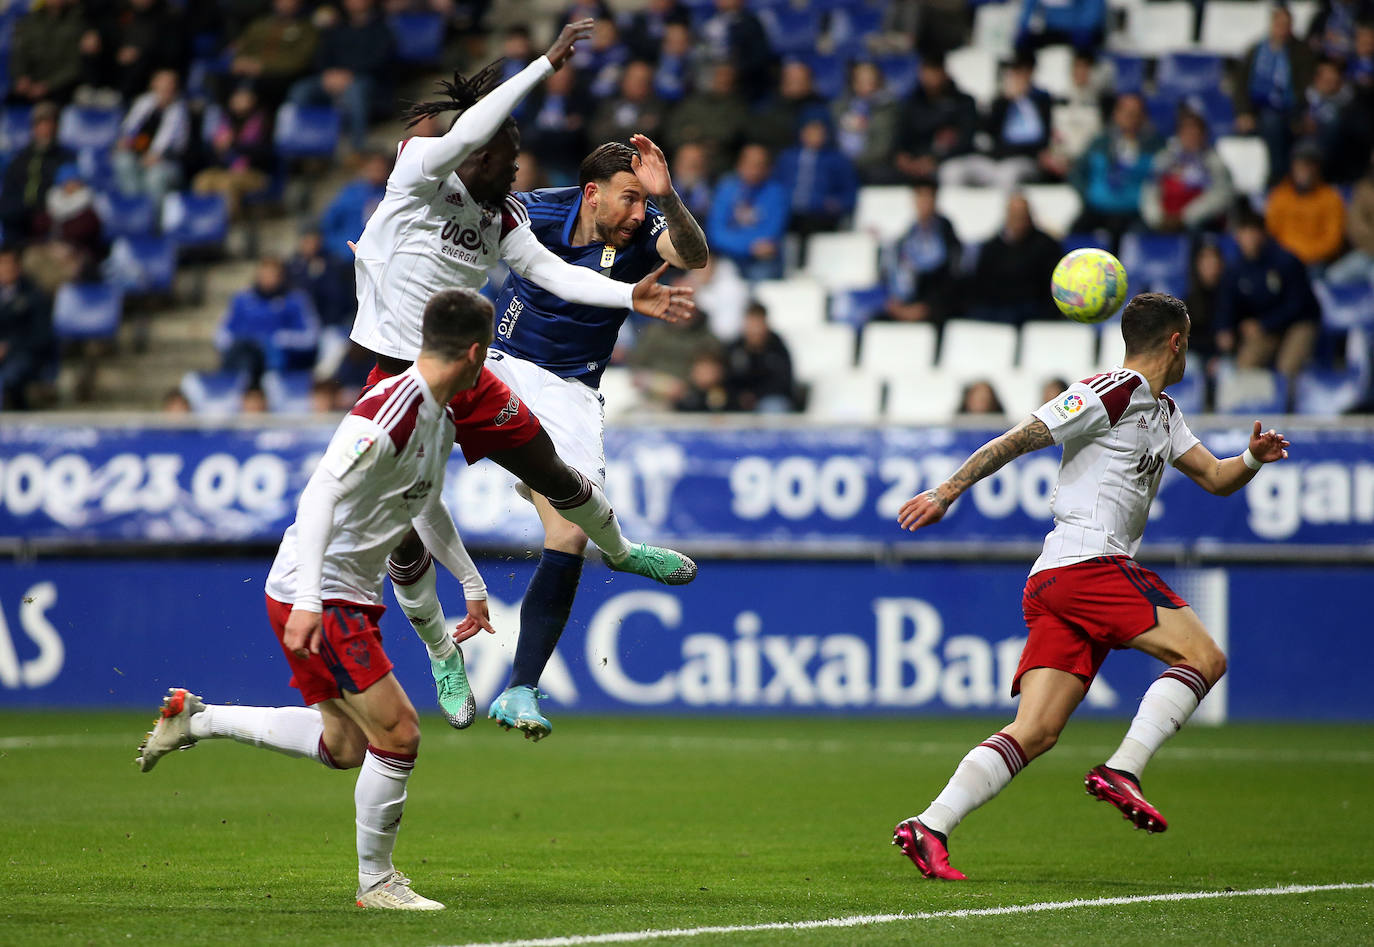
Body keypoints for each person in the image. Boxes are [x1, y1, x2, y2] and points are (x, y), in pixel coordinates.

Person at [347, 21, 699, 735]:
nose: (515, 174)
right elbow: (474, 132)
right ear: (592, 190)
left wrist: (639, 282)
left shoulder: (512, 215)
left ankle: (538, 665)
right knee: (404, 527)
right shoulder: (439, 177)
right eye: (505, 159)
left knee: (572, 514)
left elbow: (594, 268)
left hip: (520, 379)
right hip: (421, 372)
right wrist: (544, 62)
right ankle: (443, 649)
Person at [892, 292, 1291, 880]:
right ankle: (1123, 769)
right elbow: (1019, 437)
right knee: (1203, 656)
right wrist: (945, 491)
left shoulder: (1163, 410)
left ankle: (928, 826)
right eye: (1189, 341)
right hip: (1089, 565)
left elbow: (1214, 477)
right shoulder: (1111, 390)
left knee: (1037, 730)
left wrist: (1251, 459)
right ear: (1176, 342)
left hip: (1059, 577)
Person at [138, 288, 500, 911]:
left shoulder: (438, 417)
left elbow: (425, 505)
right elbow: (319, 496)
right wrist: (309, 600)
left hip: (336, 594)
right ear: (475, 352)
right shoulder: (391, 410)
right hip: (322, 593)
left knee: (346, 745)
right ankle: (377, 883)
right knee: (400, 733)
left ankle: (196, 719)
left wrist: (470, 581)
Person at [480, 136, 710, 733]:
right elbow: (481, 218)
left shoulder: (649, 225)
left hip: (573, 394)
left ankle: (521, 691)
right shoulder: (540, 209)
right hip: (501, 365)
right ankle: (435, 644)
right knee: (413, 460)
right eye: (629, 199)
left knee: (569, 533)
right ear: (591, 193)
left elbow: (693, 255)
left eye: (644, 201)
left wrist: (668, 197)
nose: (638, 214)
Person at [1216, 207, 1320, 380]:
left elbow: (1297, 304)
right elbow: (1227, 302)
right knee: (1246, 363)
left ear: (1263, 234)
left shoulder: (1286, 261)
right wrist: (1224, 328)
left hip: (1299, 322)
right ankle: (1256, 406)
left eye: (1253, 232)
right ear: (1237, 237)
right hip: (1264, 326)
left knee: (1287, 368)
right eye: (1244, 233)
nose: (1248, 239)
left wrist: (1264, 323)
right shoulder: (1235, 269)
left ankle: (1289, 406)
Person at [287, 0, 396, 153]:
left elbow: (380, 59)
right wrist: (327, 73)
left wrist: (350, 74)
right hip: (332, 78)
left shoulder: (382, 28)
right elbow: (321, 56)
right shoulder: (337, 28)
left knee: (355, 90)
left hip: (367, 80)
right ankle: (298, 145)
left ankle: (355, 147)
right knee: (300, 90)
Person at [1234, 6, 1315, 187]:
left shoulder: (1301, 51)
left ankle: (1280, 178)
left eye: (1286, 25)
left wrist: (1301, 113)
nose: (1282, 29)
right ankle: (1278, 177)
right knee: (1271, 121)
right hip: (1258, 110)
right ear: (1271, 25)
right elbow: (1240, 85)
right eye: (1279, 24)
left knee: (1277, 122)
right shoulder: (1255, 51)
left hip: (1292, 109)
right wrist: (1243, 113)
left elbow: (1306, 87)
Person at [1070, 92, 1161, 244]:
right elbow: (1076, 171)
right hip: (1096, 209)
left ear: (1143, 116)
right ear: (1116, 114)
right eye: (1126, 112)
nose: (1130, 117)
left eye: (1135, 113)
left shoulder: (1154, 145)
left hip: (1134, 213)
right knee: (1076, 234)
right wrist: (1087, 194)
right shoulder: (1100, 142)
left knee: (1143, 237)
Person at [216, 256, 320, 385]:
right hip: (244, 359)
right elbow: (222, 334)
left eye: (272, 275)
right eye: (263, 274)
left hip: (282, 365)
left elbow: (311, 337)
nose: (267, 279)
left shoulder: (296, 300)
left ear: (282, 276)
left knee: (272, 356)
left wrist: (279, 339)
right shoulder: (242, 299)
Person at [966, 192, 1062, 325]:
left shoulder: (1046, 245)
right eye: (1014, 214)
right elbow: (981, 284)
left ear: (1029, 216)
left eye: (1022, 215)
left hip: (1033, 309)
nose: (1018, 220)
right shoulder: (992, 247)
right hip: (996, 309)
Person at [879, 178, 962, 325]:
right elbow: (897, 270)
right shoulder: (909, 234)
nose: (923, 202)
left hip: (934, 304)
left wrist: (925, 307)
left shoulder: (945, 233)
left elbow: (950, 275)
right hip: (907, 300)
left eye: (927, 196)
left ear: (935, 200)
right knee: (877, 319)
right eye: (919, 196)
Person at [1139, 108, 1234, 233]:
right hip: (1162, 221)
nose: (1191, 136)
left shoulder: (1214, 162)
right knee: (1137, 232)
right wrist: (1157, 218)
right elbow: (1150, 189)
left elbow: (1222, 195)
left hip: (1199, 222)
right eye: (1186, 131)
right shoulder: (1164, 159)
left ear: (1204, 135)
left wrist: (1186, 217)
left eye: (1195, 132)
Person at [707, 143, 788, 281]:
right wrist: (748, 247)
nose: (755, 170)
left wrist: (736, 241)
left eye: (760, 165)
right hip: (727, 257)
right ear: (739, 165)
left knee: (761, 284)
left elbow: (770, 236)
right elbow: (715, 234)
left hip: (762, 264)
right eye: (750, 164)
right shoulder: (726, 188)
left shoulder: (777, 193)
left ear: (768, 169)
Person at [113, 69, 190, 208]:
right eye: (163, 83)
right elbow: (128, 129)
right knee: (123, 161)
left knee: (154, 177)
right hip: (140, 154)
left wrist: (156, 155)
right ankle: (135, 209)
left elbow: (175, 146)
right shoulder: (144, 102)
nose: (167, 87)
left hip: (168, 162)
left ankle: (152, 220)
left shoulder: (180, 109)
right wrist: (124, 141)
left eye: (171, 84)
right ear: (154, 84)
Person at [776, 116, 858, 246]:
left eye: (819, 133)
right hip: (788, 212)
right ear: (802, 133)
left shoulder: (838, 160)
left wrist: (835, 204)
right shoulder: (788, 157)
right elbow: (776, 185)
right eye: (810, 132)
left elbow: (849, 193)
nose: (814, 137)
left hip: (819, 214)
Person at [0, 103, 75, 244]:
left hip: (48, 218)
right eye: (41, 124)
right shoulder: (20, 159)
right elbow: (9, 194)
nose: (45, 129)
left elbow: (68, 188)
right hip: (18, 219)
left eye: (49, 124)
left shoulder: (65, 157)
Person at [1265, 140, 1346, 268]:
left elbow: (1333, 240)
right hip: (1285, 262)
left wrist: (1305, 255)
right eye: (1300, 163)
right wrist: (1289, 256)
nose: (1304, 169)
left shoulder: (1331, 198)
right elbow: (1271, 233)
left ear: (1318, 168)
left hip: (1317, 263)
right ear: (1292, 166)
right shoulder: (1280, 196)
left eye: (1310, 164)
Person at [0, 247, 54, 410]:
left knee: (9, 377)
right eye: (1, 264)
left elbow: (42, 336)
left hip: (24, 354)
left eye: (9, 263)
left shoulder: (35, 296)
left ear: (18, 267)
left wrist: (8, 347)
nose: (5, 269)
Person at [724, 300, 795, 412]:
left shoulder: (777, 347)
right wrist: (739, 396)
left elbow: (783, 381)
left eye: (759, 324)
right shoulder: (734, 348)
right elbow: (726, 378)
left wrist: (756, 396)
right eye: (752, 323)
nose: (755, 330)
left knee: (774, 406)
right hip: (737, 400)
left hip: (767, 399)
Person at [320, 152, 391, 261]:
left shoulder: (390, 195)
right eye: (373, 166)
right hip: (347, 258)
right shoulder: (352, 192)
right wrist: (340, 248)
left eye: (380, 168)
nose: (376, 170)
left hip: (377, 259)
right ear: (366, 167)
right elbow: (329, 223)